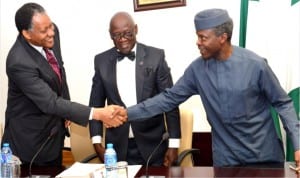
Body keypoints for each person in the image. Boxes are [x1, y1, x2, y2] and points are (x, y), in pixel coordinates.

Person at [123, 8, 300, 168]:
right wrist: (126, 113)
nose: (197, 42)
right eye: (197, 36)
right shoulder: (197, 70)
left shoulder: (256, 65)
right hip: (226, 161)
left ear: (222, 38)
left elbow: (283, 103)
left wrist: (298, 145)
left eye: (203, 37)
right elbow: (168, 99)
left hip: (264, 157)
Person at [2, 3, 126, 166]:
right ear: (26, 34)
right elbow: (50, 103)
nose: (51, 33)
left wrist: (65, 106)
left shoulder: (51, 33)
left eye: (51, 26)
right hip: (29, 144)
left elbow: (58, 68)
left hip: (54, 135)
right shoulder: (18, 62)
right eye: (44, 30)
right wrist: (98, 114)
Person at [89, 11, 181, 166]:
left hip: (154, 145)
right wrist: (97, 143)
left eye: (128, 34)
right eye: (117, 36)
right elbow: (95, 104)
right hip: (117, 147)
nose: (123, 39)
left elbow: (170, 102)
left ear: (136, 29)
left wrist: (173, 145)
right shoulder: (101, 61)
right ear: (110, 36)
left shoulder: (155, 56)